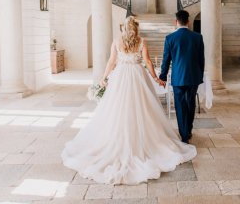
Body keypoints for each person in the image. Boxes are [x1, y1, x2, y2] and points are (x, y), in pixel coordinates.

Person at [61, 16, 196, 185]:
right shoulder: (141, 41)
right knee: (142, 109)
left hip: (120, 77)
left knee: (118, 109)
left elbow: (112, 61)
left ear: (124, 28)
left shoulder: (117, 42)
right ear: (136, 28)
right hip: (138, 76)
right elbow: (147, 62)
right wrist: (155, 78)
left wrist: (104, 78)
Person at [159, 10, 205, 143]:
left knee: (180, 106)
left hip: (178, 78)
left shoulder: (170, 38)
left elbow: (166, 60)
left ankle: (184, 134)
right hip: (193, 77)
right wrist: (200, 75)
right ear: (188, 22)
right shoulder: (197, 37)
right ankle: (188, 130)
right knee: (190, 104)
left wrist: (162, 77)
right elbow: (201, 59)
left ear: (176, 22)